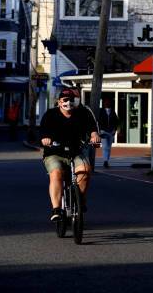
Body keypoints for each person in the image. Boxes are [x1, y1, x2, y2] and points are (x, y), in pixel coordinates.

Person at [40, 87, 100, 222]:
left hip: (75, 152)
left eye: (71, 100)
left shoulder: (82, 113)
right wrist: (45, 138)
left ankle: (80, 201)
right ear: (59, 102)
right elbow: (43, 132)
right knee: (56, 173)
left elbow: (92, 129)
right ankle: (56, 209)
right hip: (54, 153)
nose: (68, 103)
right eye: (65, 100)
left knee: (85, 171)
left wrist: (94, 135)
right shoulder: (50, 114)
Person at [98, 98, 119, 168]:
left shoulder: (113, 112)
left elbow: (116, 122)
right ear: (104, 104)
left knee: (109, 147)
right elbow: (98, 121)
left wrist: (115, 130)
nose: (107, 104)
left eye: (108, 102)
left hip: (111, 132)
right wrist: (100, 130)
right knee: (105, 147)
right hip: (103, 131)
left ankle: (107, 160)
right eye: (106, 102)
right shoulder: (101, 111)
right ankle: (105, 161)